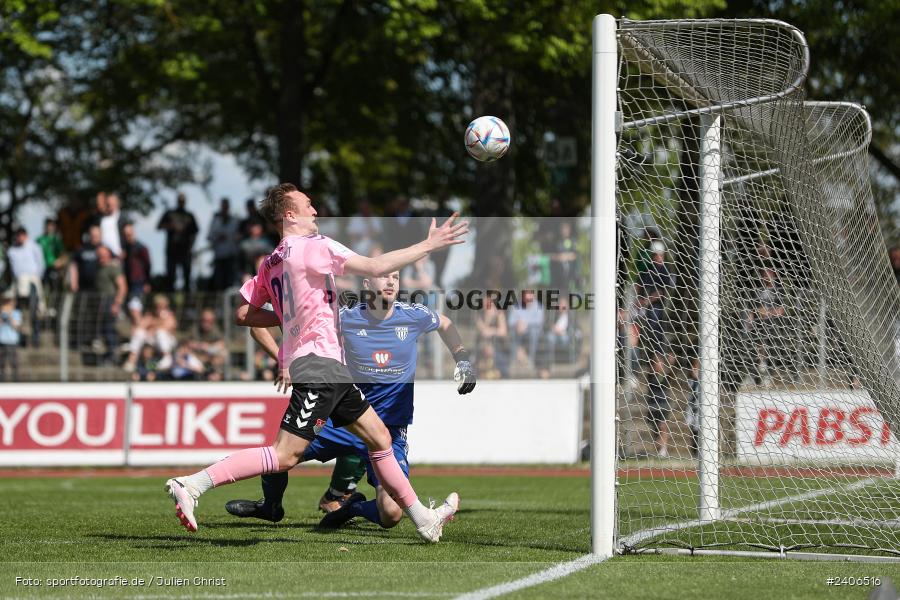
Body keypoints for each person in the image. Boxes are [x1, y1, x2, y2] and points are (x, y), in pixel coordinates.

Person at [163, 183, 468, 543]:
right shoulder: (313, 246)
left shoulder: (271, 262)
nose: (316, 211)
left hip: (330, 368)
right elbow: (375, 265)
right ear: (289, 214)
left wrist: (289, 319)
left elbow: (244, 313)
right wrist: (429, 245)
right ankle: (192, 485)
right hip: (319, 364)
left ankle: (423, 519)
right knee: (284, 455)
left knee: (380, 437)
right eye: (309, 206)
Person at [225, 270, 476, 529]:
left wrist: (463, 359)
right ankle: (271, 507)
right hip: (343, 420)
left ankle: (352, 506)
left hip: (387, 431)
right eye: (383, 276)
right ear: (367, 284)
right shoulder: (344, 318)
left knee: (391, 514)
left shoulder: (413, 315)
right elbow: (263, 325)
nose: (391, 282)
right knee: (278, 456)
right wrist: (284, 357)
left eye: (396, 277)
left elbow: (445, 323)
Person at [7, 227, 45, 346]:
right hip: (19, 283)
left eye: (22, 235)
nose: (20, 238)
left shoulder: (34, 247)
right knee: (19, 311)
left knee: (34, 310)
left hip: (32, 281)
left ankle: (36, 337)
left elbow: (40, 263)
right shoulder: (12, 251)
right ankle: (21, 337)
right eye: (18, 235)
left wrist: (36, 277)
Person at [157, 193, 199, 292]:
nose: (181, 202)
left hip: (185, 251)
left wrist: (191, 246)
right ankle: (170, 299)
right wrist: (171, 226)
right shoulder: (170, 213)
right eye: (180, 201)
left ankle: (188, 301)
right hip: (172, 251)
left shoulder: (189, 215)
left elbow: (195, 231)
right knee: (170, 276)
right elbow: (159, 226)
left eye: (183, 201)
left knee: (187, 277)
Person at [95, 246, 126, 364]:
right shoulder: (99, 267)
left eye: (103, 254)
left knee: (109, 329)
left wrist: (117, 304)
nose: (101, 256)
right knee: (103, 329)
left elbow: (122, 287)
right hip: (100, 301)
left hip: (110, 300)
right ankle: (108, 354)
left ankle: (112, 356)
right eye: (99, 254)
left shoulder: (113, 268)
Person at [122, 223, 152, 325]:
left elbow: (148, 265)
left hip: (138, 281)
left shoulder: (142, 248)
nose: (127, 236)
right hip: (126, 282)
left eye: (129, 234)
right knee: (129, 309)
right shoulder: (124, 248)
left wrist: (147, 282)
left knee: (135, 306)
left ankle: (139, 330)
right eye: (126, 234)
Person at [36, 218, 64, 297]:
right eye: (47, 225)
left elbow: (62, 254)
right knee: (42, 288)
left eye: (51, 225)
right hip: (42, 267)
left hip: (53, 267)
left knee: (54, 289)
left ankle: (54, 306)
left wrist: (59, 261)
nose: (49, 227)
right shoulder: (39, 239)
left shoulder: (56, 240)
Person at [0, 293, 22, 381]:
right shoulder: (1, 313)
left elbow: (16, 326)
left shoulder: (17, 313)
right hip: (2, 340)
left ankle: (15, 380)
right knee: (1, 363)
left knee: (14, 363)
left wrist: (9, 315)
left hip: (12, 341)